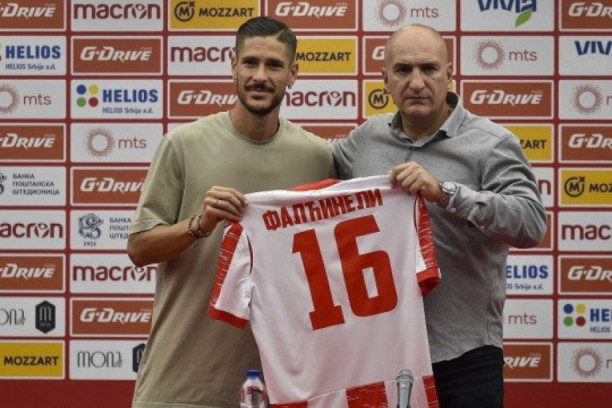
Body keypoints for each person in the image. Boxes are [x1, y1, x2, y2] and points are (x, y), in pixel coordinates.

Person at [332, 24, 547, 408]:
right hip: (379, 354)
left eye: (429, 69)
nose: (416, 82)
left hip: (463, 356)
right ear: (385, 79)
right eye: (403, 70)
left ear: (449, 74)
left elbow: (531, 224)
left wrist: (445, 193)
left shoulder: (492, 143)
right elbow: (306, 174)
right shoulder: (366, 139)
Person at [127, 17, 335, 408]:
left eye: (274, 65)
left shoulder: (318, 156)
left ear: (293, 74)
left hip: (280, 387)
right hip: (180, 385)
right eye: (250, 62)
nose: (260, 76)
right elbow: (139, 249)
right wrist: (199, 225)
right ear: (233, 65)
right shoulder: (182, 144)